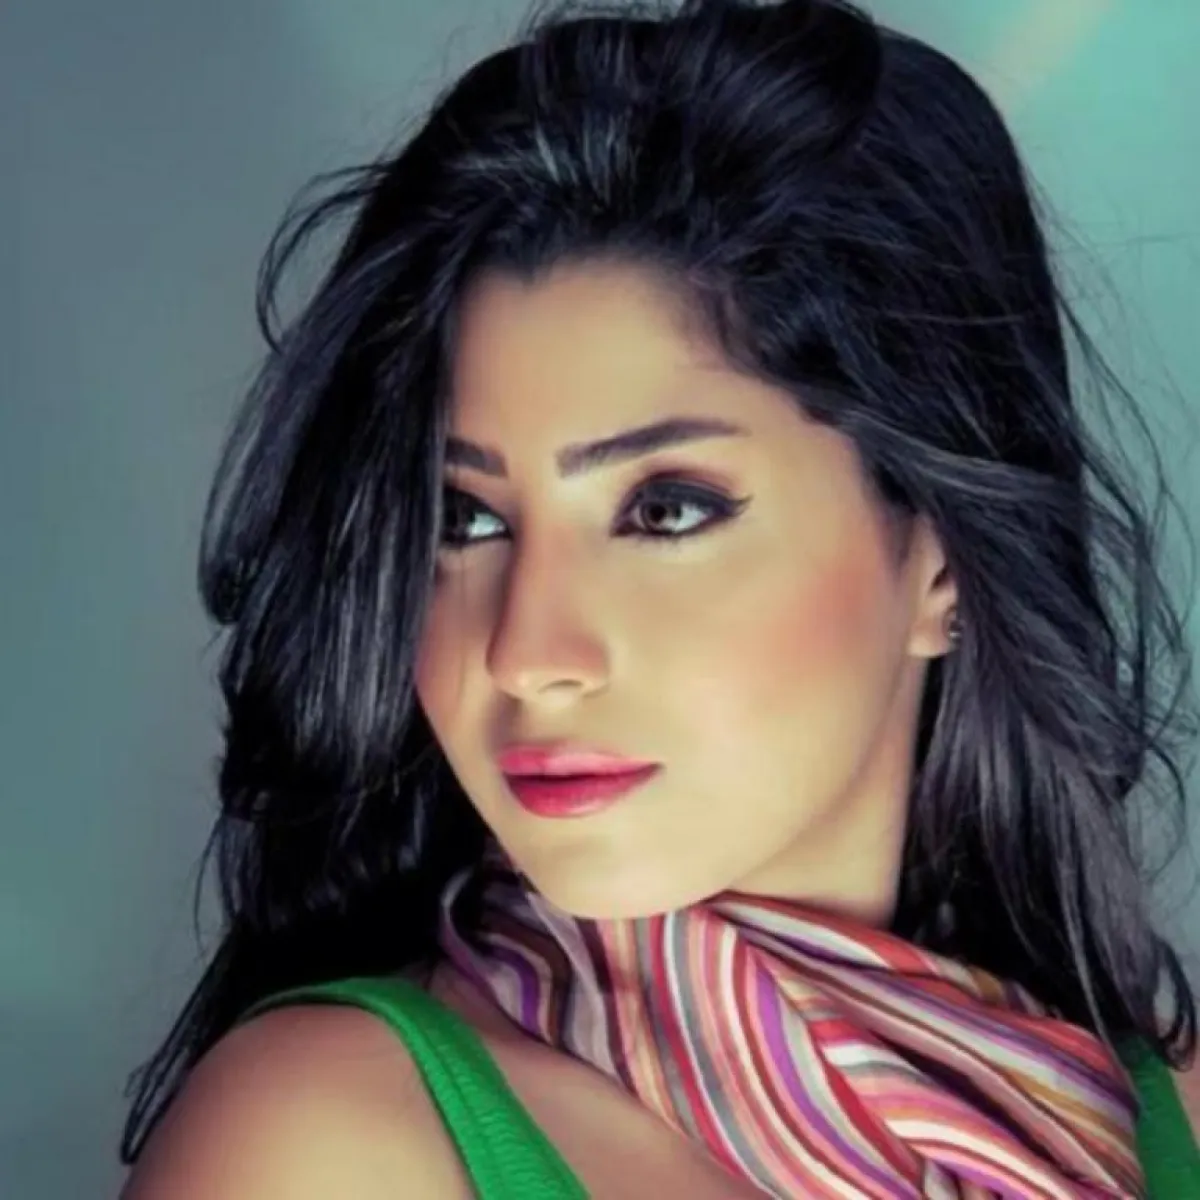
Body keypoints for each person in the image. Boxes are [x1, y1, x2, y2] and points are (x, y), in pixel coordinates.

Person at [117, 0, 1200, 1195]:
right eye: (465, 519)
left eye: (666, 510)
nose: (527, 652)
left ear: (940, 560)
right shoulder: (326, 1144)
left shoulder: (1173, 1127)